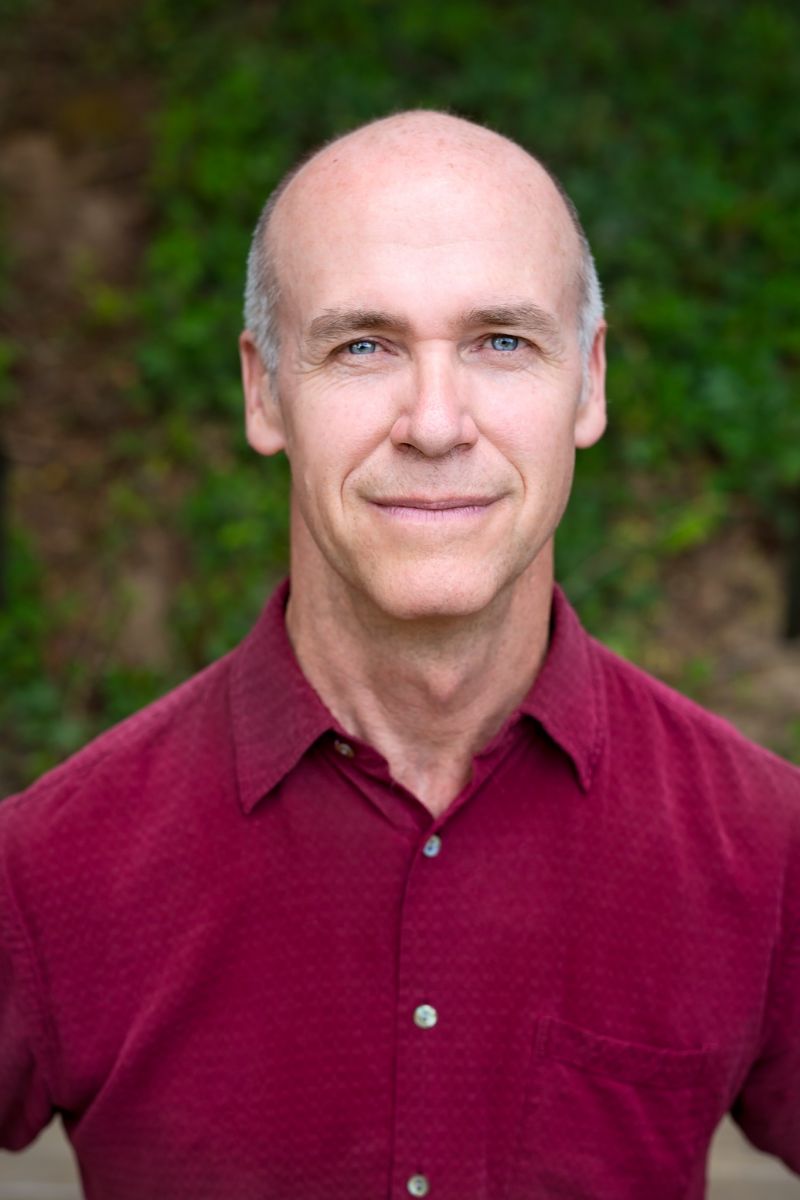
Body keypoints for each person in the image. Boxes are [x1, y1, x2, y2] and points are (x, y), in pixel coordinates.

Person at [0, 110, 798, 1200]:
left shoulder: (766, 847)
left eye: (500, 342)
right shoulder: (48, 869)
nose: (433, 422)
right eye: (362, 345)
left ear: (590, 383)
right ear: (264, 391)